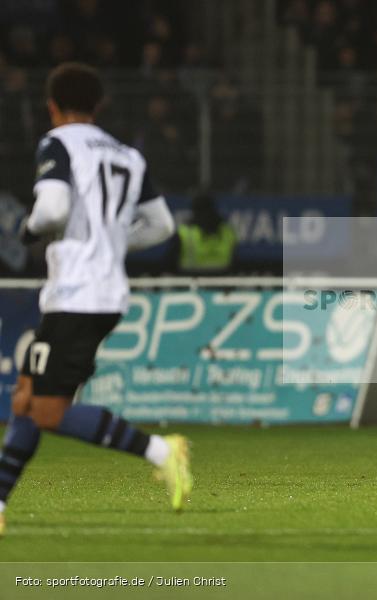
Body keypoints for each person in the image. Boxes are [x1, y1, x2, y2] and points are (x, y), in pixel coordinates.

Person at [0, 63, 192, 537]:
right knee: (26, 398)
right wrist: (111, 242)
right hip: (100, 292)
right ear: (98, 106)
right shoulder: (128, 155)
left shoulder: (57, 143)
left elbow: (52, 209)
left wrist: (28, 229)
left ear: (52, 105)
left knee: (47, 410)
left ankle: (163, 453)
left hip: (77, 296)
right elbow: (163, 226)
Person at [175, 194, 237, 274]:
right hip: (223, 282)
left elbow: (171, 264)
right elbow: (236, 262)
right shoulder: (228, 231)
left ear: (194, 211)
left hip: (191, 282)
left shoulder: (185, 232)